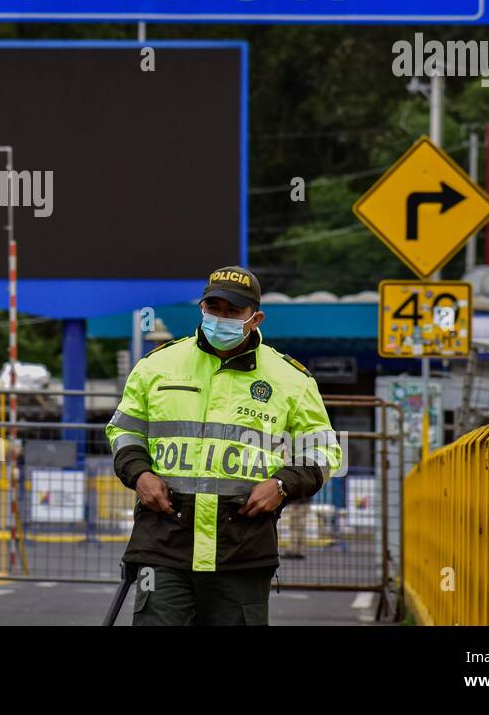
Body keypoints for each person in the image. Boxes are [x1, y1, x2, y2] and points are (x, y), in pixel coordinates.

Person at [105, 266, 341, 626]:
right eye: (213, 308)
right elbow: (124, 432)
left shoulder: (291, 379)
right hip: (164, 541)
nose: (221, 318)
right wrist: (139, 475)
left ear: (255, 317)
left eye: (233, 311)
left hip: (241, 548)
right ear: (202, 308)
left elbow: (324, 451)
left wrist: (281, 486)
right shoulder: (157, 365)